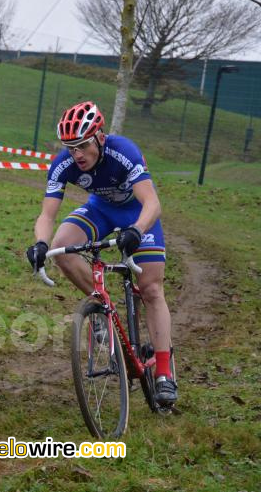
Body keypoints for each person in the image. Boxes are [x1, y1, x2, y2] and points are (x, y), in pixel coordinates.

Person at [26, 101, 177, 406]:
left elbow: (152, 203)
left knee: (150, 288)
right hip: (101, 211)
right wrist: (40, 244)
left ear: (100, 138)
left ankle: (164, 372)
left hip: (137, 214)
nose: (76, 154)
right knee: (62, 246)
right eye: (70, 148)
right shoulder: (63, 164)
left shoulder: (124, 152)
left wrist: (136, 230)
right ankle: (101, 305)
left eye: (82, 145)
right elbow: (46, 215)